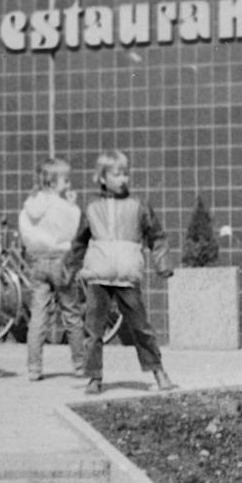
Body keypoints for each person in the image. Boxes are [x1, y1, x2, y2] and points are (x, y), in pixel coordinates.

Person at [65, 151, 175, 396]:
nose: (123, 179)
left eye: (125, 173)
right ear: (102, 178)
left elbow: (156, 237)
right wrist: (68, 270)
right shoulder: (92, 207)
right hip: (98, 276)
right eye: (117, 174)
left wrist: (162, 263)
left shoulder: (138, 205)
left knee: (141, 327)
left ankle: (158, 371)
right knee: (93, 330)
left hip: (127, 275)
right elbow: (79, 242)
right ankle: (94, 377)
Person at [17, 156, 86, 383]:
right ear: (53, 182)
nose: (68, 184)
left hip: (38, 261)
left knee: (38, 316)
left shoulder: (30, 205)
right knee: (71, 313)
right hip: (61, 261)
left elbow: (26, 231)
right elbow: (73, 229)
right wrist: (73, 205)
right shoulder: (62, 206)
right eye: (65, 180)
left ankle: (34, 367)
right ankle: (79, 364)